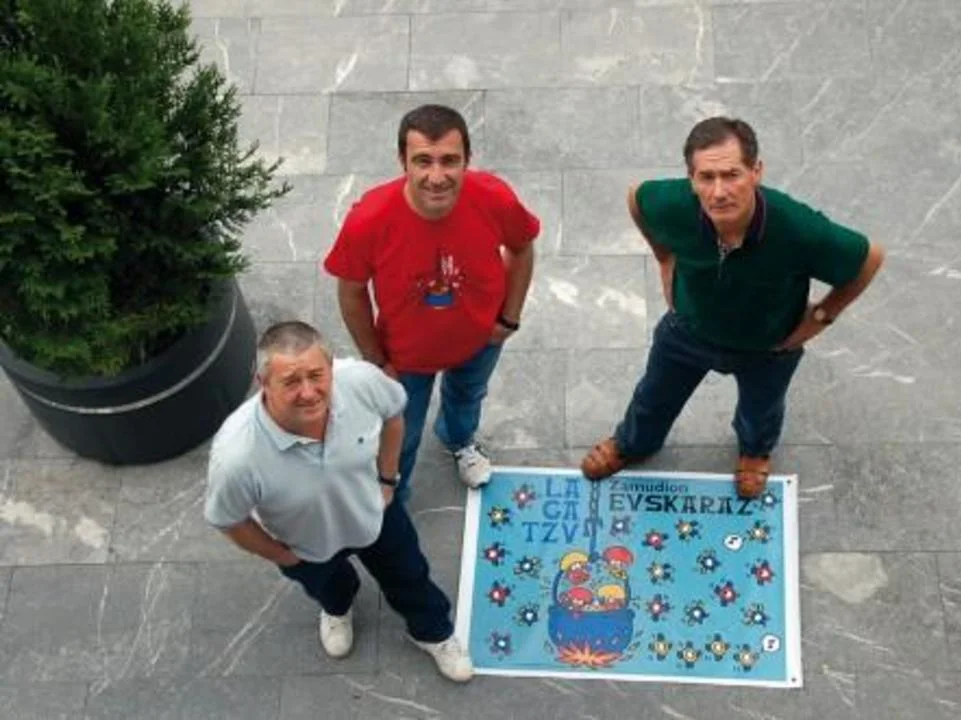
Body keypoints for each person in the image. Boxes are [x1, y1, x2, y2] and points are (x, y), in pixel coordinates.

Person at [580, 117, 885, 497]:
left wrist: (821, 317)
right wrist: (664, 258)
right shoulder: (671, 203)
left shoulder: (799, 229)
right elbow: (636, 199)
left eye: (732, 175)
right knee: (653, 396)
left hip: (768, 347)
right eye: (706, 177)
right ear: (691, 179)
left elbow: (869, 259)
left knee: (762, 411)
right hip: (686, 330)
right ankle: (632, 444)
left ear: (756, 171)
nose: (719, 192)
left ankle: (755, 453)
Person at [203, 321, 471, 681]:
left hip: (374, 512)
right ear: (262, 382)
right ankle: (337, 610)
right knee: (329, 586)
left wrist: (387, 480)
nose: (309, 392)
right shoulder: (236, 456)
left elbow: (393, 415)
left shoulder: (360, 380)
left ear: (331, 368)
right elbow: (228, 520)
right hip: (303, 540)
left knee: (410, 574)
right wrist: (281, 555)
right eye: (291, 381)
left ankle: (433, 632)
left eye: (317, 375)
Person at [324, 104, 539, 503]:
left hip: (480, 339)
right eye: (423, 161)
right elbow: (351, 291)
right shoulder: (369, 219)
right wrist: (376, 361)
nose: (437, 177)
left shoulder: (493, 197)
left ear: (467, 160)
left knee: (467, 398)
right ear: (402, 161)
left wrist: (508, 319)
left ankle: (459, 442)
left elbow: (521, 248)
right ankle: (395, 491)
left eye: (449, 161)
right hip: (405, 357)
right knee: (401, 432)